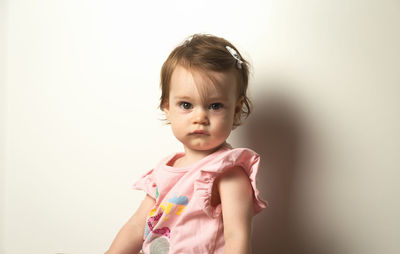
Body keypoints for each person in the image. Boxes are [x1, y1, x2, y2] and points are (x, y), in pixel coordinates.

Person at [105, 34, 267, 254]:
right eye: (186, 105)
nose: (200, 117)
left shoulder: (227, 172)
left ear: (236, 110)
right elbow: (136, 227)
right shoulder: (165, 170)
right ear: (167, 108)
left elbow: (236, 236)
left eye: (215, 106)